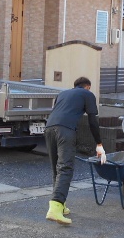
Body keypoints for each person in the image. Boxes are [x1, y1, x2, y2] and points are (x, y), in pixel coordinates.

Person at [44, 76, 106, 225]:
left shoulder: (62, 94)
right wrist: (99, 143)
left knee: (57, 169)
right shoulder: (87, 94)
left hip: (49, 128)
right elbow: (93, 120)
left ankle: (61, 205)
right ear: (87, 87)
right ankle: (55, 207)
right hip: (66, 131)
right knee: (65, 168)